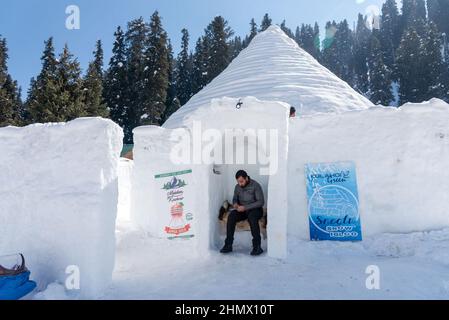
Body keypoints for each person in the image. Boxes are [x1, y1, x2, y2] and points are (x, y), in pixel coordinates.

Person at [220, 170, 265, 256]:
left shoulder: (255, 185)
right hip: (242, 210)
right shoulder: (237, 187)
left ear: (246, 178)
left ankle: (257, 246)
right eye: (238, 182)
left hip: (255, 209)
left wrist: (245, 207)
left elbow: (261, 202)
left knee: (252, 217)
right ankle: (228, 245)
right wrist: (235, 204)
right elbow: (235, 199)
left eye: (241, 181)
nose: (240, 184)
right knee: (231, 216)